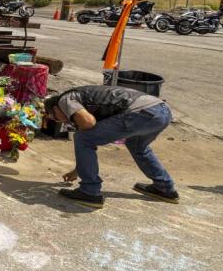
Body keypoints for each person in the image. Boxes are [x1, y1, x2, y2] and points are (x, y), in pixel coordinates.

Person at [44, 85, 178, 209]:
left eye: (56, 118)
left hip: (141, 113)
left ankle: (90, 192)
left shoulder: (65, 100)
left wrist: (82, 131)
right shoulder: (83, 98)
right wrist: (78, 170)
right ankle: (164, 187)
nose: (61, 121)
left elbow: (88, 123)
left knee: (83, 137)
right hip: (161, 112)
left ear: (55, 108)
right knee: (137, 146)